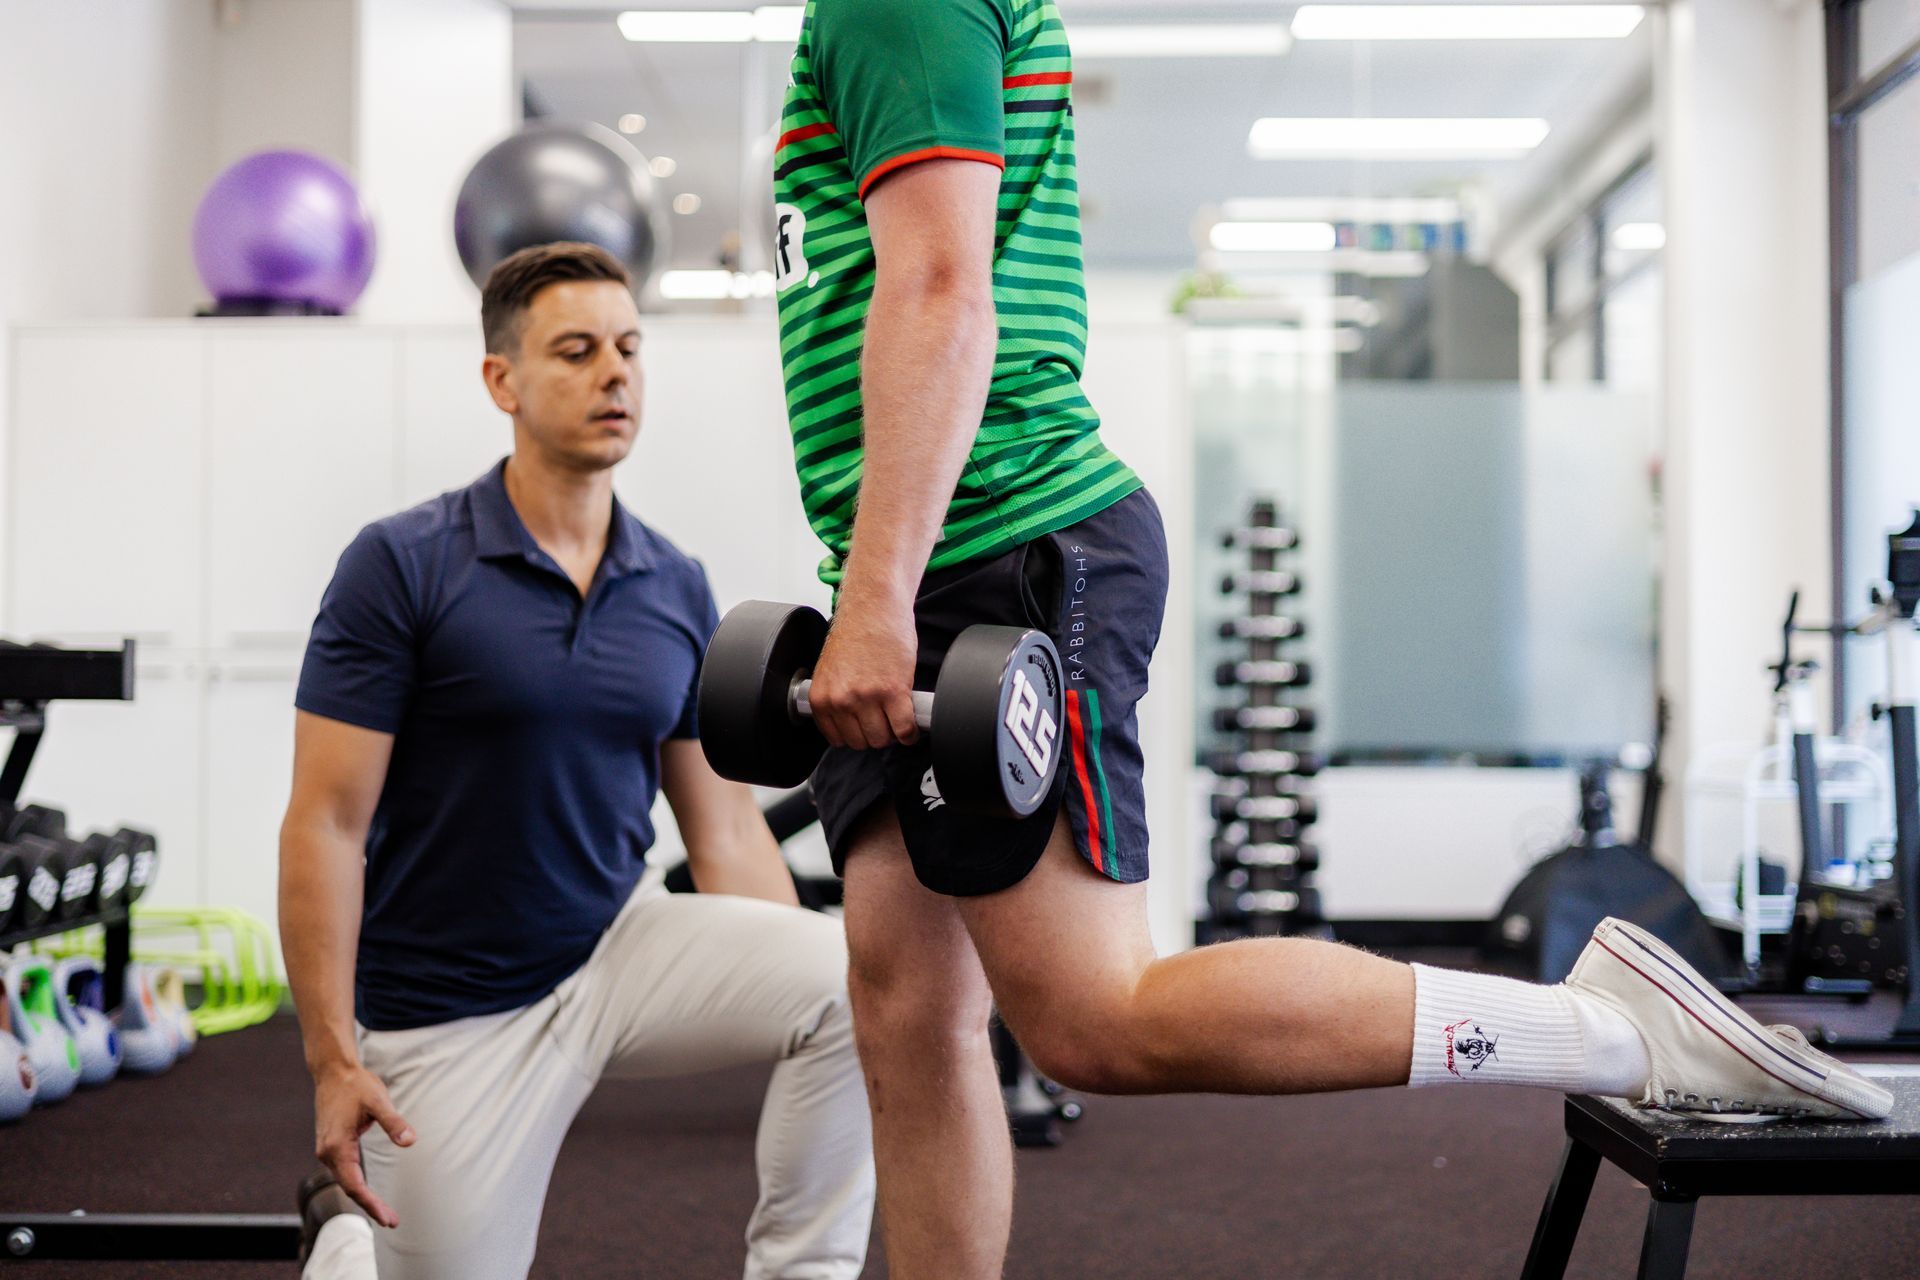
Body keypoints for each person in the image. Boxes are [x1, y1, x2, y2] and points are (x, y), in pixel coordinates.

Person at [765, 2, 1894, 1276]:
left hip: (995, 542)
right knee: (906, 1007)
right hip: (930, 559)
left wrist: (878, 596)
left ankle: (1607, 1026)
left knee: (1095, 1021)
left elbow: (939, 287)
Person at [279, 242, 875, 1280]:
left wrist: (789, 1008)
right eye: (576, 350)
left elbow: (726, 830)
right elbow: (324, 823)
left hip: (615, 946)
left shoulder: (674, 582)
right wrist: (332, 1056)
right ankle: (342, 1229)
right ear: (501, 379)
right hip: (451, 1009)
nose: (615, 373)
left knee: (860, 984)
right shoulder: (402, 565)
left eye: (630, 347)